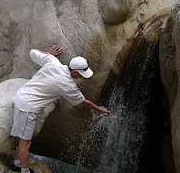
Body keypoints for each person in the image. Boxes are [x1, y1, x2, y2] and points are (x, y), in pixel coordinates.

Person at [10, 45, 111, 173]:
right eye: (80, 74)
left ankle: (17, 162)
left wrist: (49, 53)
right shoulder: (67, 85)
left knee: (22, 137)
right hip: (27, 108)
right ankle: (24, 171)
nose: (81, 76)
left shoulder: (52, 61)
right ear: (74, 72)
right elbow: (83, 101)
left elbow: (32, 52)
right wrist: (100, 109)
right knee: (26, 142)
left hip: (21, 96)